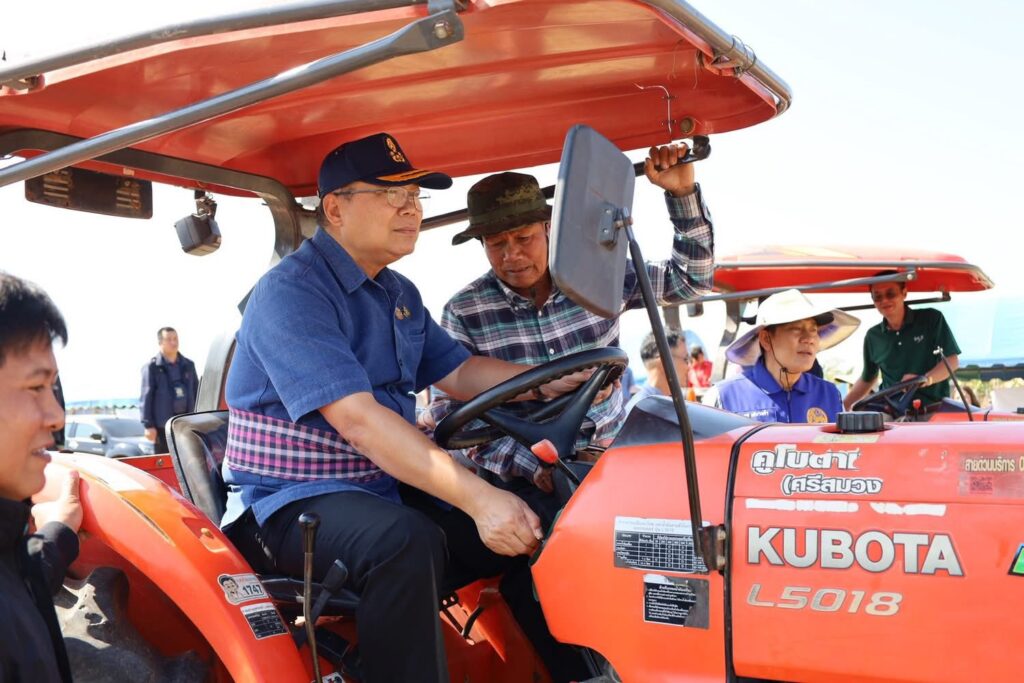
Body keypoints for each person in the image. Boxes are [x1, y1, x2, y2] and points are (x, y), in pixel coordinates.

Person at [219, 133, 590, 683]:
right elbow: (360, 422)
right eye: (392, 195)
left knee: (543, 516)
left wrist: (549, 381)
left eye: (415, 196)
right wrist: (480, 499)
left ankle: (576, 673)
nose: (411, 209)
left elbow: (459, 372)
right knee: (404, 542)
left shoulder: (397, 293)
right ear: (335, 209)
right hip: (287, 507)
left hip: (375, 487)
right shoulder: (292, 293)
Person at [428, 143, 714, 489]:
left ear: (549, 228)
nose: (512, 255)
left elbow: (690, 280)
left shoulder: (598, 276)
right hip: (522, 478)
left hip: (611, 457)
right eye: (496, 243)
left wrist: (682, 194)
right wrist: (531, 465)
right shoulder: (464, 311)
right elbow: (450, 414)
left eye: (524, 238)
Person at [0, 272, 83, 683]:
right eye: (36, 387)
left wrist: (59, 531)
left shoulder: (12, 550)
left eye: (54, 388)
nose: (57, 416)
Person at [703, 289, 859, 423]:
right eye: (796, 328)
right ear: (766, 339)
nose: (809, 338)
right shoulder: (724, 397)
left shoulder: (830, 395)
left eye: (813, 330)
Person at [843, 275, 961, 410]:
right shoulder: (873, 336)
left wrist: (926, 379)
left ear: (904, 293)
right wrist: (842, 405)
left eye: (890, 294)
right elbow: (867, 378)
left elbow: (952, 360)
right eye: (877, 296)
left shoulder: (931, 319)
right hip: (890, 412)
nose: (884, 300)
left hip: (932, 409)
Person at [140, 327, 197, 453]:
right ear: (160, 342)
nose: (173, 342)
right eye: (169, 339)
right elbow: (146, 397)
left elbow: (196, 392)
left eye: (175, 338)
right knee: (166, 461)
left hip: (185, 426)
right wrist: (148, 426)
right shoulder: (152, 367)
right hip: (162, 428)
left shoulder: (188, 365)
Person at [625, 330, 694, 413]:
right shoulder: (646, 410)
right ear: (664, 361)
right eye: (686, 359)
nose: (689, 367)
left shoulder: (651, 403)